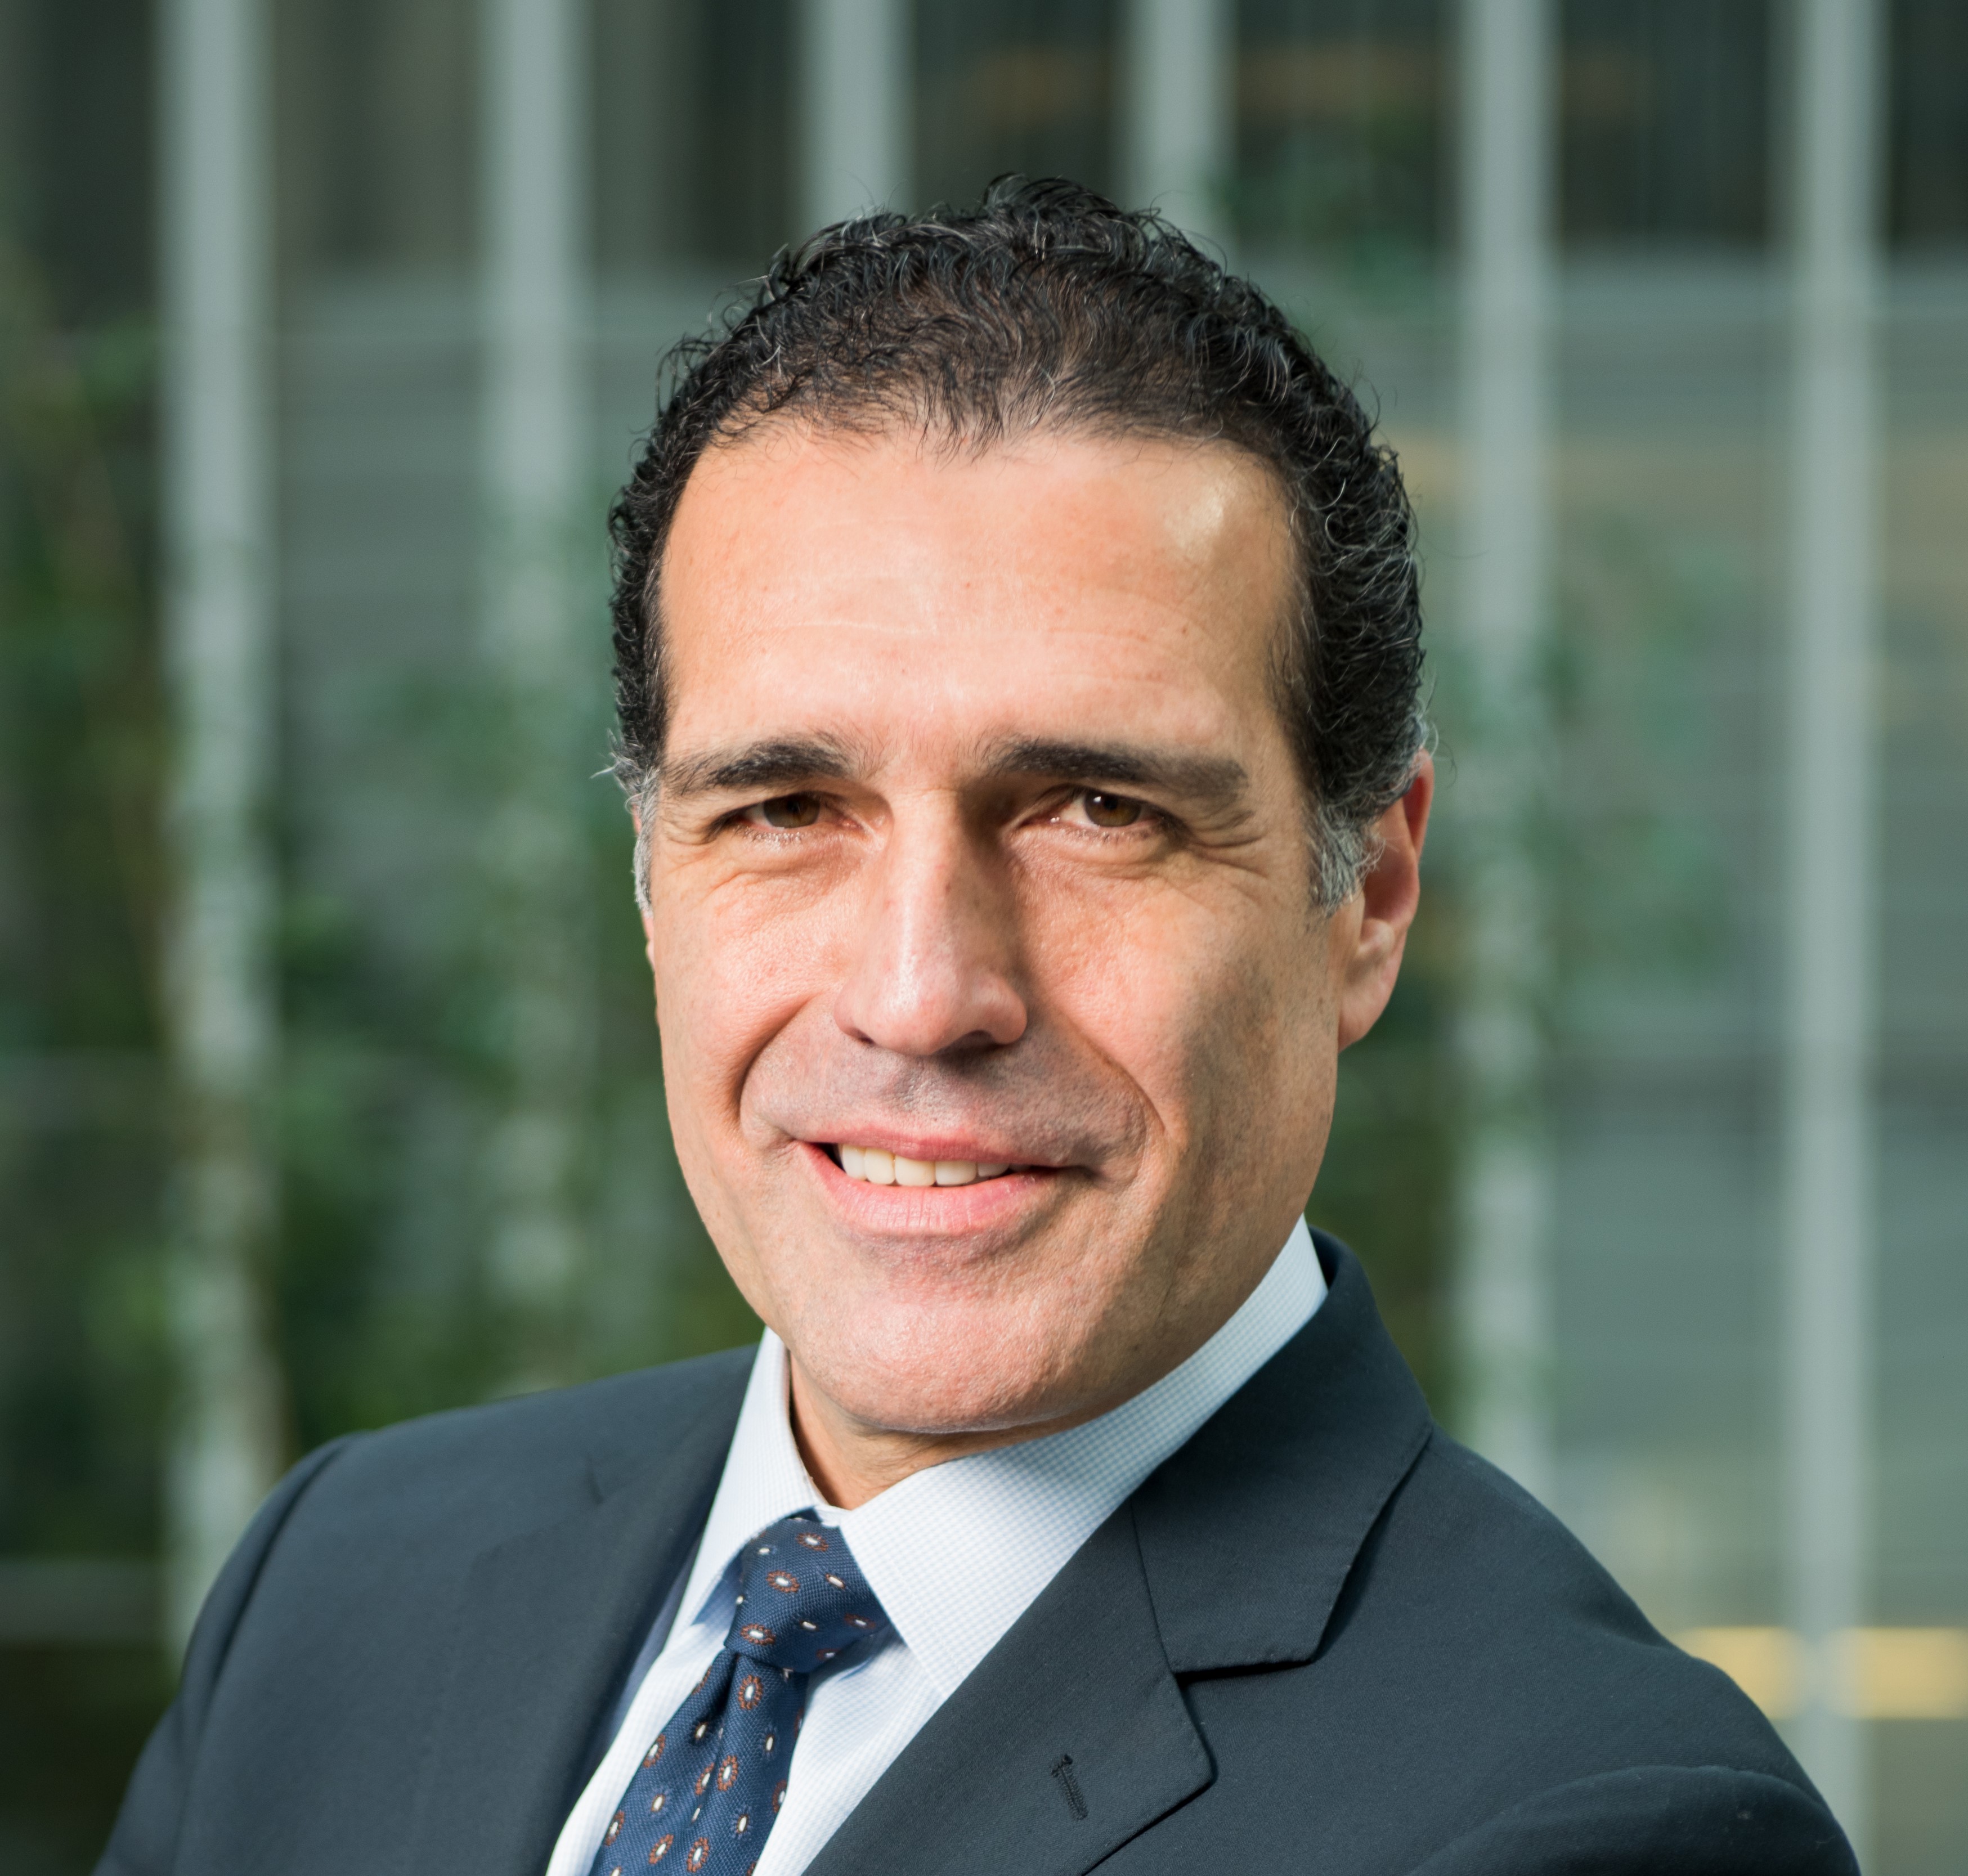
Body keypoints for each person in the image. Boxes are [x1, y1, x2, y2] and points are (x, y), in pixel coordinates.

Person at [98, 179, 1854, 1876]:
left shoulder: (1589, 1826)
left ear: (1369, 899)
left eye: (1096, 811)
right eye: (785, 808)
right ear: (649, 876)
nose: (919, 994)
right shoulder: (342, 1591)